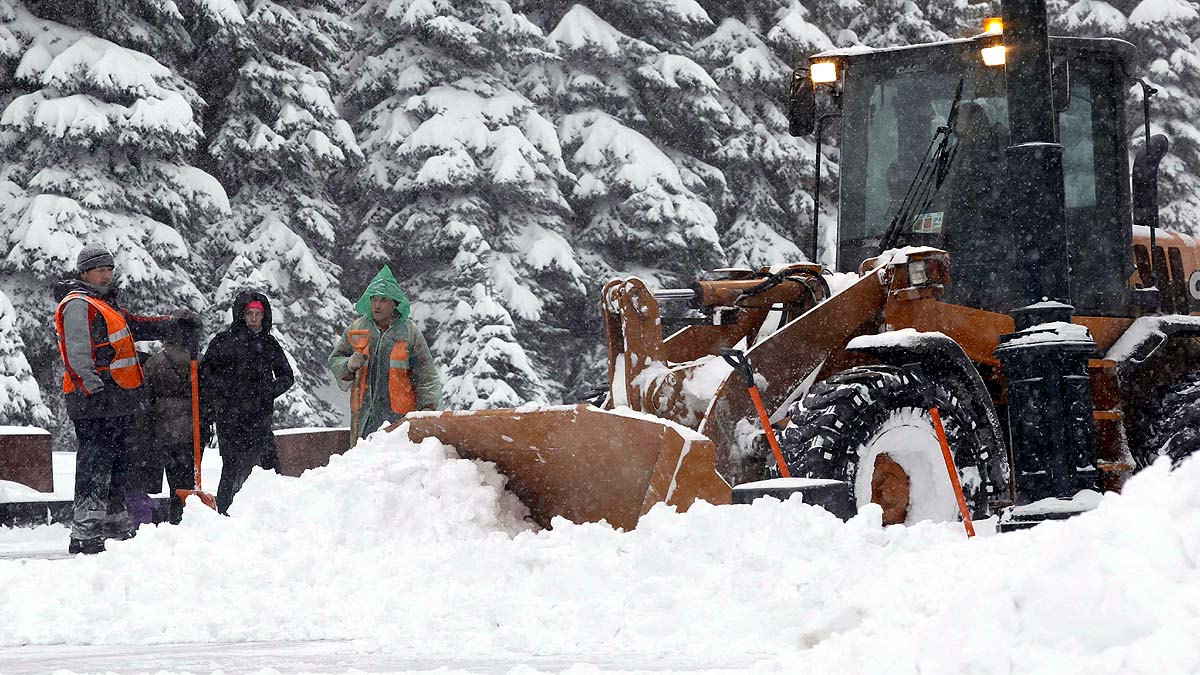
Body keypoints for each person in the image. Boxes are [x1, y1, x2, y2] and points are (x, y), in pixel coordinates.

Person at [53, 242, 199, 555]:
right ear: (85, 272)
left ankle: (115, 524)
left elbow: (134, 326)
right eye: (100, 269)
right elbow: (76, 355)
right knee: (94, 465)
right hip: (94, 399)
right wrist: (93, 391)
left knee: (117, 462)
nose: (106, 274)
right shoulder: (78, 303)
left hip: (117, 399)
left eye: (109, 268)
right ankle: (84, 533)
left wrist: (171, 324)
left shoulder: (104, 304)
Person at [199, 291, 293, 514]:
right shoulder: (223, 341)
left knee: (269, 466)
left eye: (257, 314)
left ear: (264, 316)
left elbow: (286, 376)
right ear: (240, 314)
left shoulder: (269, 343)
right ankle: (224, 512)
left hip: (259, 417)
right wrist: (222, 394)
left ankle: (276, 512)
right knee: (231, 468)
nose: (253, 318)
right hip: (229, 417)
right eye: (249, 313)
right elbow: (205, 375)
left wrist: (266, 392)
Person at [328, 266, 442, 439]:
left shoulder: (409, 332)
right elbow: (335, 359)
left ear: (395, 303)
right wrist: (348, 365)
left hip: (400, 418)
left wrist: (428, 408)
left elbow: (426, 375)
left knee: (394, 461)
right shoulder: (358, 328)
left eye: (383, 300)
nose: (376, 305)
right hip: (364, 416)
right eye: (373, 299)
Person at [144, 326, 209, 524]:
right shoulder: (200, 360)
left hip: (165, 428)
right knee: (190, 472)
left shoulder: (155, 362)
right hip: (194, 426)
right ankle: (188, 511)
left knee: (174, 474)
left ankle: (176, 509)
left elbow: (147, 397)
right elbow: (210, 393)